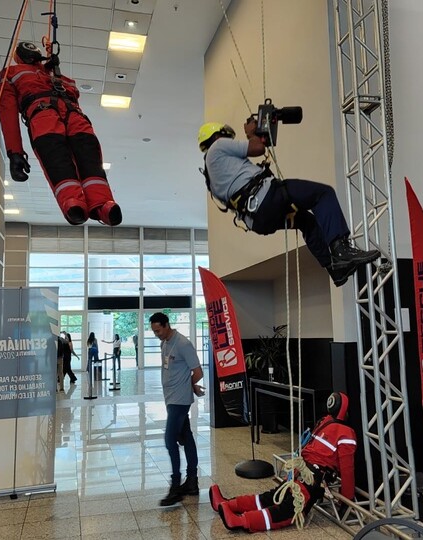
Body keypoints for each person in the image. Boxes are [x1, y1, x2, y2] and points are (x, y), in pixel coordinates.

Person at [198, 120, 380, 287]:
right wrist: (251, 133)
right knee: (323, 194)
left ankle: (335, 270)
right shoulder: (219, 146)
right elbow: (257, 147)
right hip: (266, 198)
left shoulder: (211, 177)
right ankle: (341, 250)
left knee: (307, 223)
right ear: (216, 136)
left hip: (258, 219)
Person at [0, 41, 122, 226]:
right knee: (82, 161)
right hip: (73, 118)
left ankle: (88, 204)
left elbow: (7, 111)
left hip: (47, 119)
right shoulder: (54, 76)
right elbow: (8, 111)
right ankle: (93, 204)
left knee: (67, 161)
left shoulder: (14, 74)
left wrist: (15, 152)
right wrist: (15, 151)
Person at [209, 392, 357, 532]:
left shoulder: (323, 422)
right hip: (312, 478)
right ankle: (241, 521)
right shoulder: (346, 433)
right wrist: (347, 501)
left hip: (299, 470)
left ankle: (226, 504)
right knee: (287, 511)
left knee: (270, 497)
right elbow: (347, 470)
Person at [149, 312, 205, 506]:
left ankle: (175, 487)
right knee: (186, 437)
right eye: (154, 331)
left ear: (166, 325)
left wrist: (189, 385)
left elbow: (198, 372)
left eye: (158, 330)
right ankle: (192, 482)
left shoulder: (183, 344)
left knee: (170, 440)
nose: (157, 334)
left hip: (179, 401)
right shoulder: (164, 343)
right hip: (171, 398)